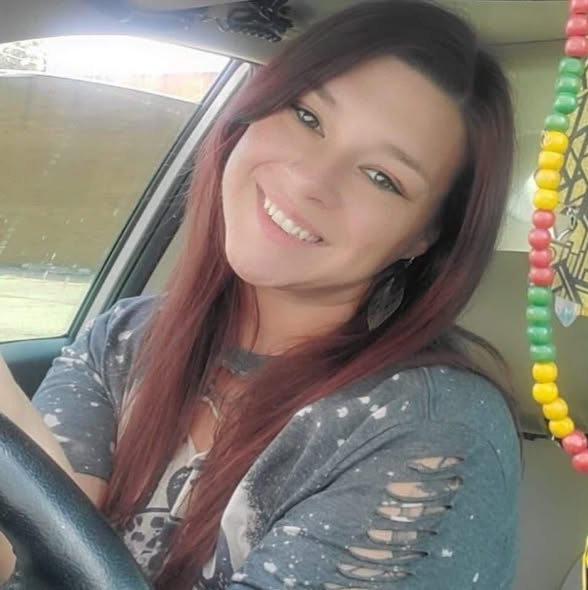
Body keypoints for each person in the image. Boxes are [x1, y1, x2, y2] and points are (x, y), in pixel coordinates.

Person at [0, 0, 521, 588]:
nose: (310, 179)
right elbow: (35, 546)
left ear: (422, 238)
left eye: (382, 177)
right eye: (307, 116)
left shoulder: (430, 427)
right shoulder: (125, 337)